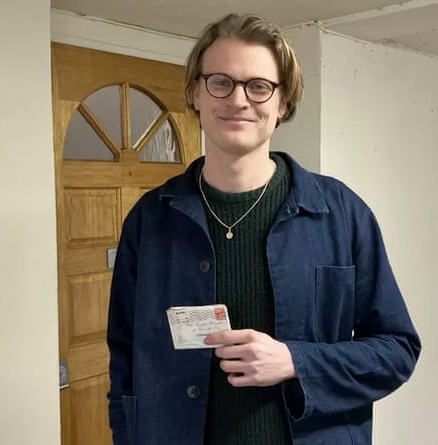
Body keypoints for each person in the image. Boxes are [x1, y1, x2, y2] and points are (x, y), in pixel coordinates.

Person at [107, 12, 421, 445]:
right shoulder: (149, 220)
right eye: (220, 81)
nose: (238, 100)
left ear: (283, 103)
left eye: (259, 86)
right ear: (196, 93)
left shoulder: (342, 213)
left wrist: (296, 361)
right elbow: (124, 364)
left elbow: (396, 351)